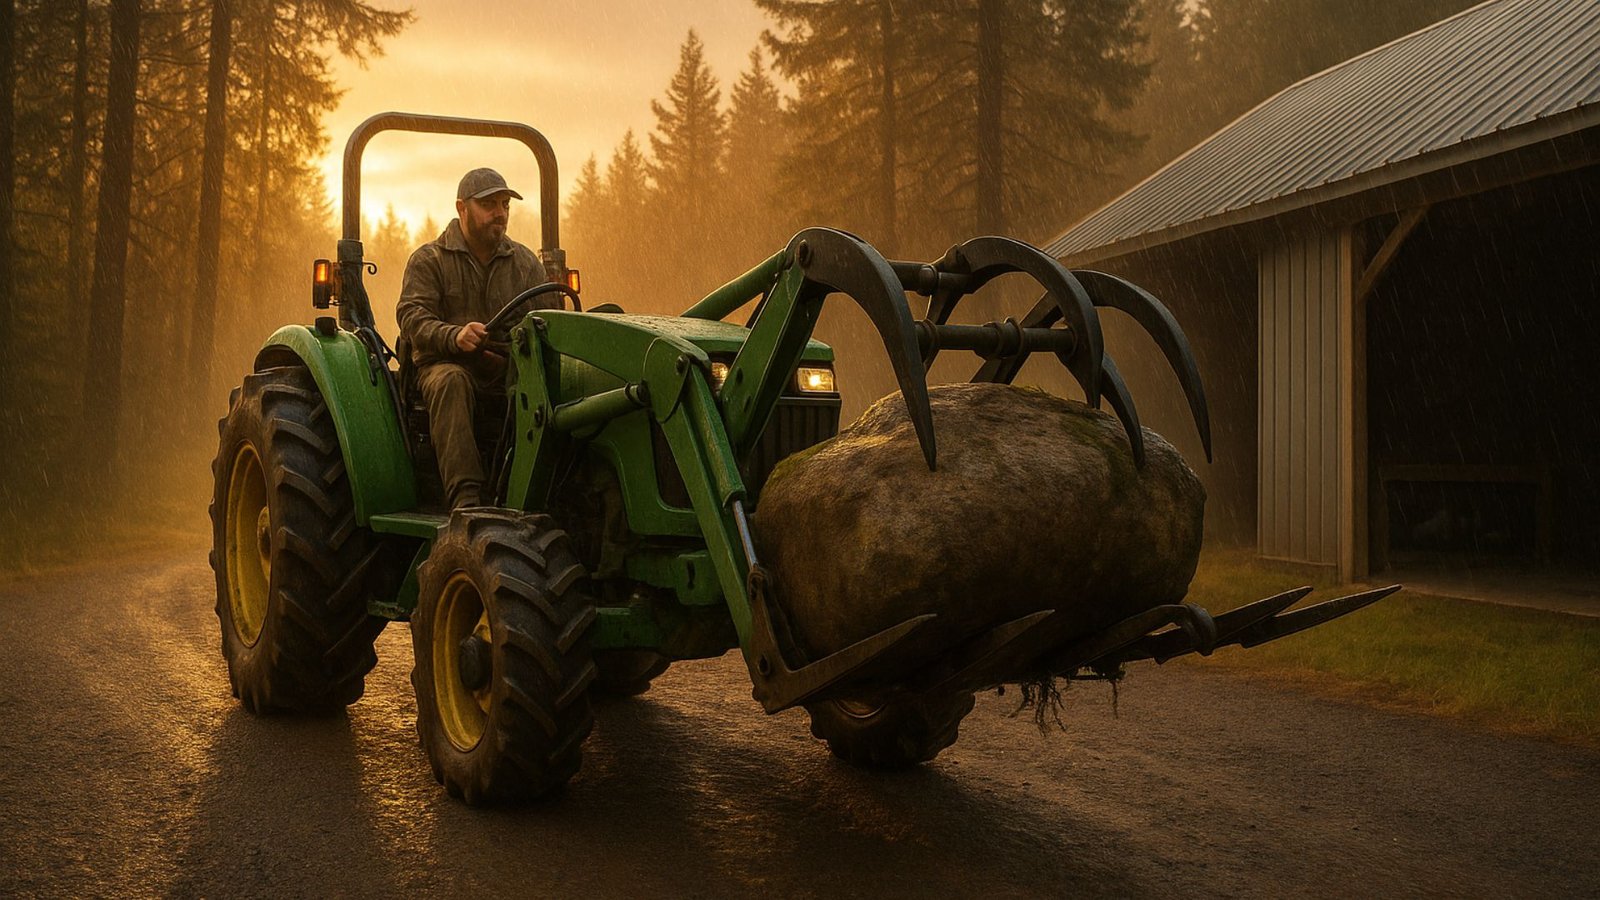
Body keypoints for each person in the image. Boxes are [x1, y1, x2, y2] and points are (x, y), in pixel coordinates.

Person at [397, 167, 556, 509]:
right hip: (444, 364)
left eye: (505, 204)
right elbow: (413, 318)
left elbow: (547, 322)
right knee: (451, 381)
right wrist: (454, 336)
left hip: (506, 368)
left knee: (553, 386)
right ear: (462, 208)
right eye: (489, 205)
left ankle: (545, 492)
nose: (500, 213)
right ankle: (466, 500)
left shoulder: (524, 264)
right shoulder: (430, 260)